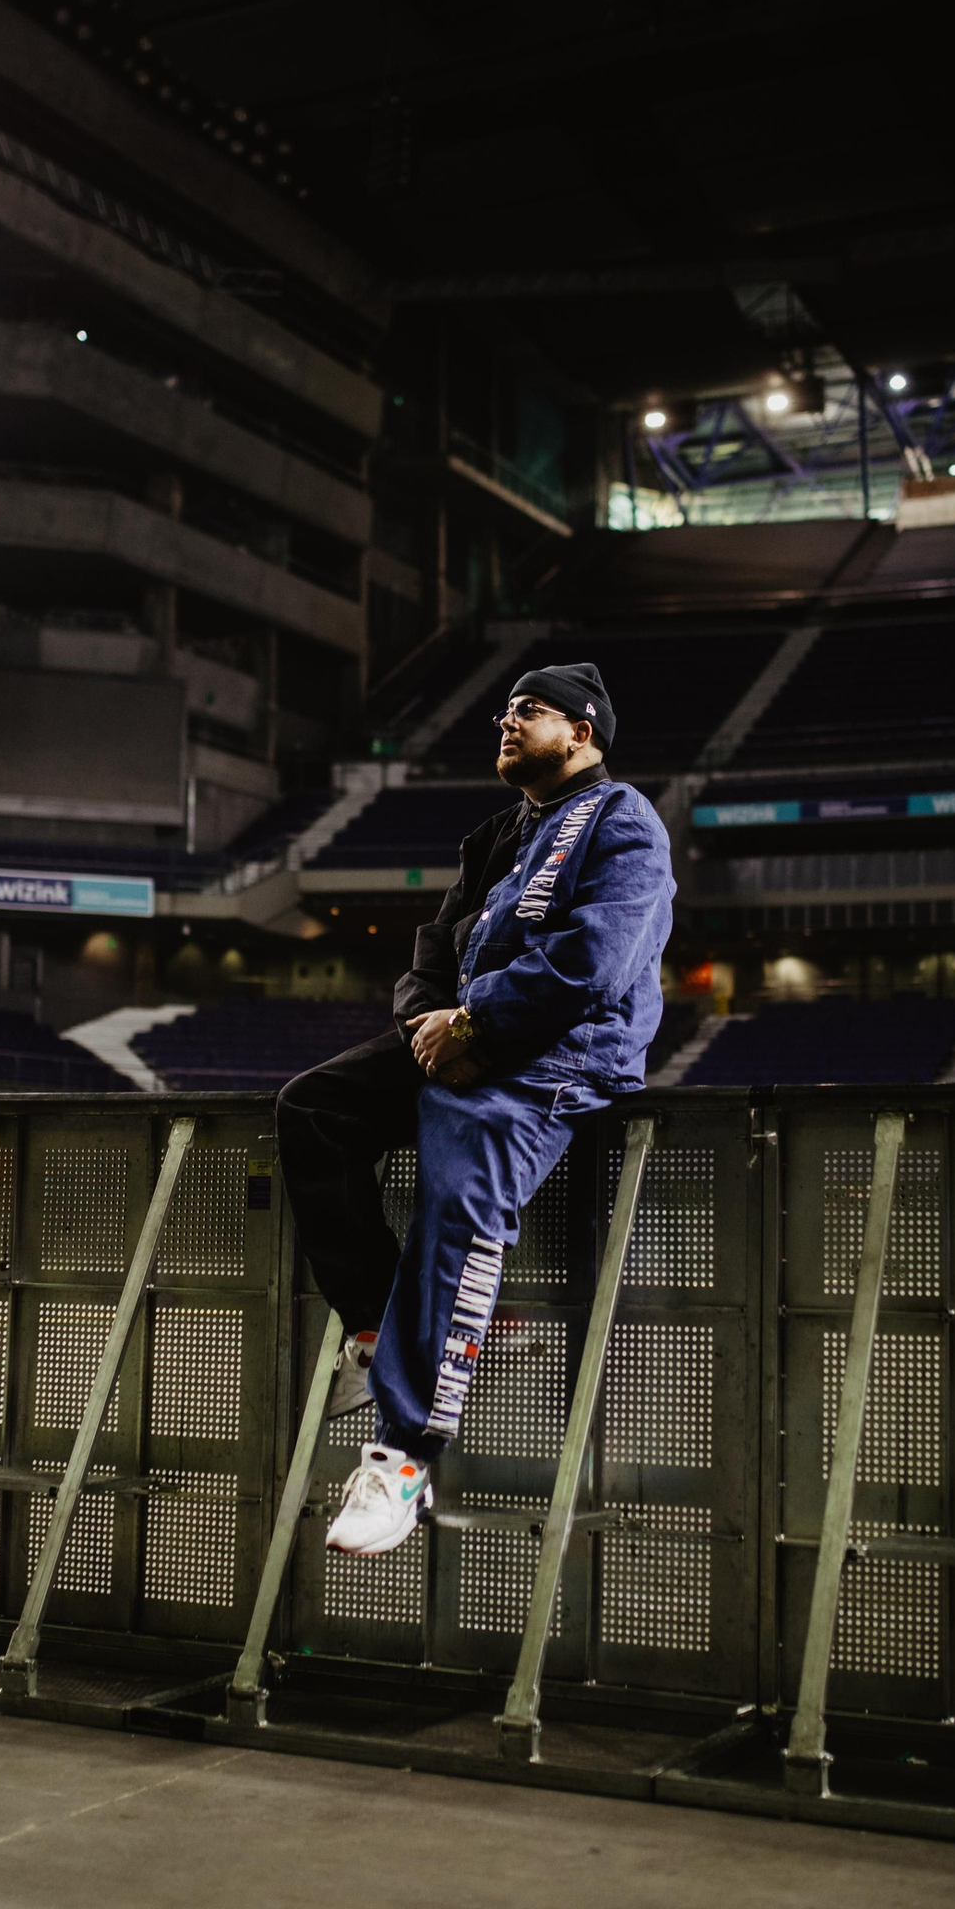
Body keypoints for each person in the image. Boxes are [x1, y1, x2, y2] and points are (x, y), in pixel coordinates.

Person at [275, 660, 675, 1555]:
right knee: (314, 1108)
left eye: (528, 711)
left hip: (555, 1057)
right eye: (501, 709)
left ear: (583, 731)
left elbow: (597, 960)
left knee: (456, 1195)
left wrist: (478, 1027)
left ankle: (403, 1458)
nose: (505, 721)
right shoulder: (499, 832)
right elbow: (430, 948)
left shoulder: (623, 821)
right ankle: (382, 1330)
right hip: (457, 1035)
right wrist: (428, 1022)